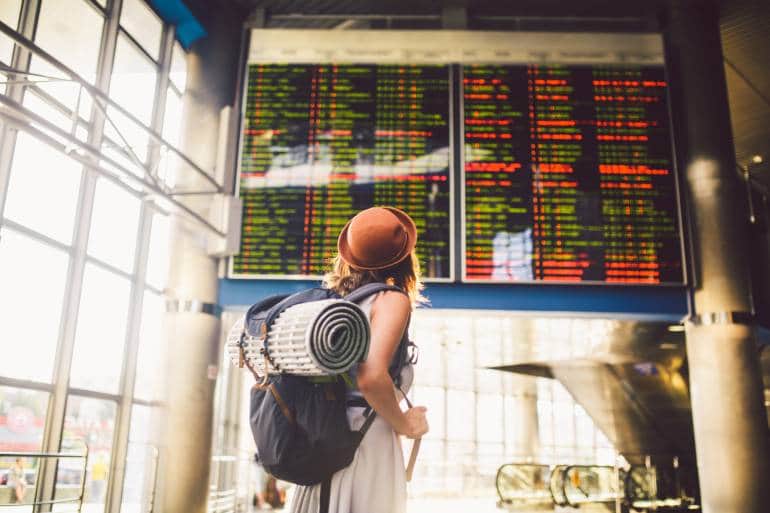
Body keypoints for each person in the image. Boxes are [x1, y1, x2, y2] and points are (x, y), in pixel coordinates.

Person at [289, 206, 430, 513]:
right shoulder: (391, 299)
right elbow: (371, 376)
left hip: (324, 439)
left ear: (349, 256)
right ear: (405, 257)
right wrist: (405, 424)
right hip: (364, 444)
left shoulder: (332, 304)